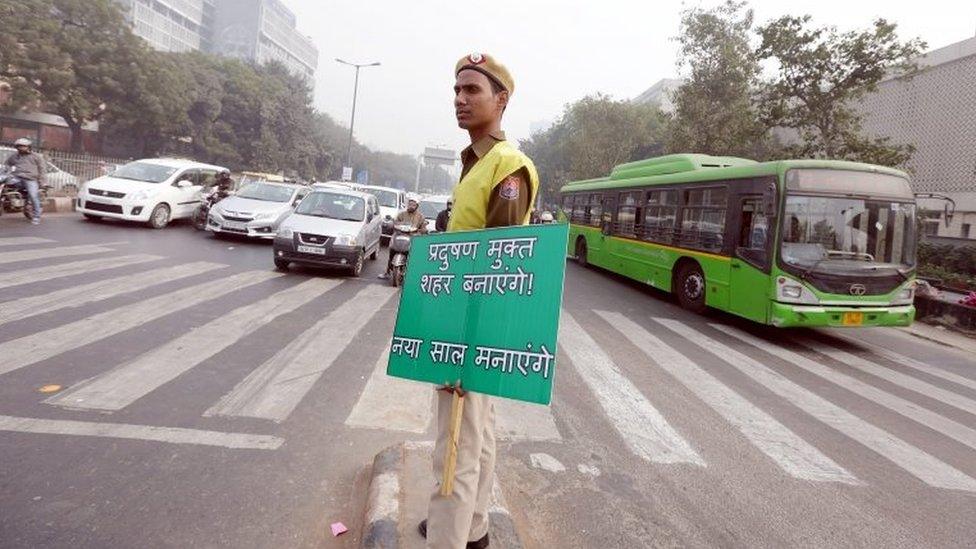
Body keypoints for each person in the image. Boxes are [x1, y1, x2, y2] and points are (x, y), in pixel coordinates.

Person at [419, 53, 539, 549]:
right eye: (457, 91)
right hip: (462, 322)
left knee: (455, 447)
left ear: (501, 100)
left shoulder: (507, 166)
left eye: (472, 90)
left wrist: (466, 340)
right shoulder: (476, 162)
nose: (460, 99)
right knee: (478, 436)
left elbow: (501, 263)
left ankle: (447, 538)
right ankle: (472, 529)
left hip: (470, 329)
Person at [378, 195, 427, 279]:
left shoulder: (420, 217)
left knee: (414, 256)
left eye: (413, 205)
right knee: (392, 251)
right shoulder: (402, 214)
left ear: (417, 206)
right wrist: (393, 224)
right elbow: (395, 222)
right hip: (400, 236)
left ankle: (412, 274)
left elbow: (423, 228)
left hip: (412, 238)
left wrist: (420, 231)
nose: (411, 206)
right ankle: (387, 272)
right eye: (410, 204)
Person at [3, 138, 46, 225]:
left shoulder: (36, 156)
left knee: (33, 196)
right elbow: (7, 164)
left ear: (29, 147)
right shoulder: (14, 156)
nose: (21, 148)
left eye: (23, 146)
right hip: (17, 178)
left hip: (31, 179)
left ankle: (36, 217)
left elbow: (42, 170)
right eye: (19, 146)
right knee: (3, 184)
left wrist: (42, 181)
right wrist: (7, 171)